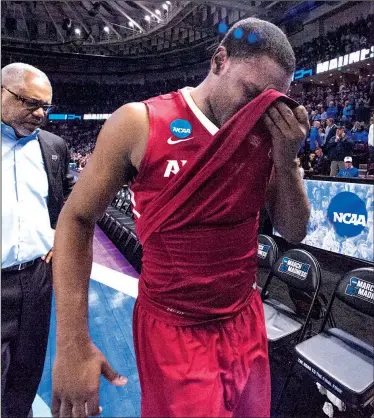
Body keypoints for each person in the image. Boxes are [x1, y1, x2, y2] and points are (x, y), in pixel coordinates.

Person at [51, 18, 310, 418]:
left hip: (244, 318)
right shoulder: (139, 123)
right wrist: (72, 342)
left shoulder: (268, 137)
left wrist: (289, 158)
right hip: (174, 329)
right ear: (219, 61)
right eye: (252, 94)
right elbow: (77, 219)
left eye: (271, 102)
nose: (259, 111)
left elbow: (293, 230)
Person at [1, 63, 75, 417]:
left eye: (47, 106)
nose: (40, 114)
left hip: (36, 280)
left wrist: (60, 237)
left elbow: (71, 204)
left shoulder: (54, 146)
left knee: (26, 372)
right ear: (3, 92)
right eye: (31, 103)